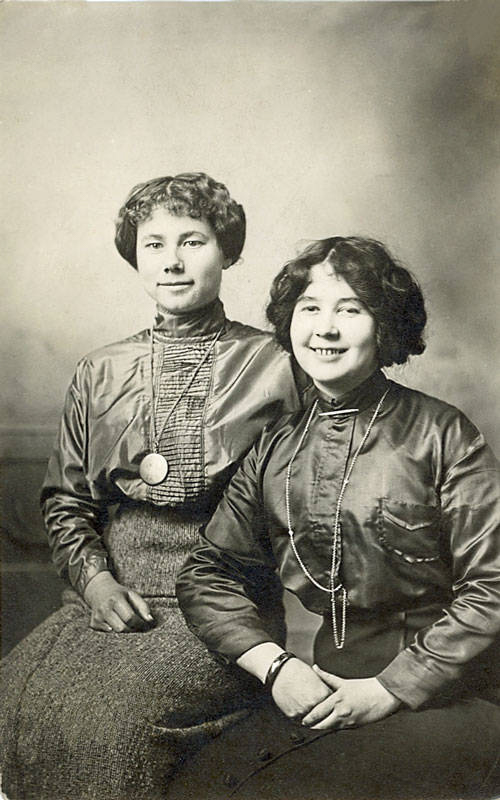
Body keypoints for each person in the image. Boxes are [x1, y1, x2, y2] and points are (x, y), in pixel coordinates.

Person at [0, 172, 302, 800]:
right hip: (111, 593)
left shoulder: (280, 363)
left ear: (228, 251)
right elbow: (67, 500)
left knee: (107, 725)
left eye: (192, 241)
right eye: (153, 243)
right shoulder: (99, 368)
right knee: (14, 701)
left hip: (224, 605)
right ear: (135, 257)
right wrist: (96, 581)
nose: (171, 261)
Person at [174, 236, 500, 800]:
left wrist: (391, 689)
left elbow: (492, 584)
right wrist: (277, 668)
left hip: (456, 690)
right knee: (198, 785)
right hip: (325, 685)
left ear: (385, 326)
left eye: (349, 310)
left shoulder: (444, 434)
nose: (325, 329)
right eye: (310, 308)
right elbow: (208, 571)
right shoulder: (276, 446)